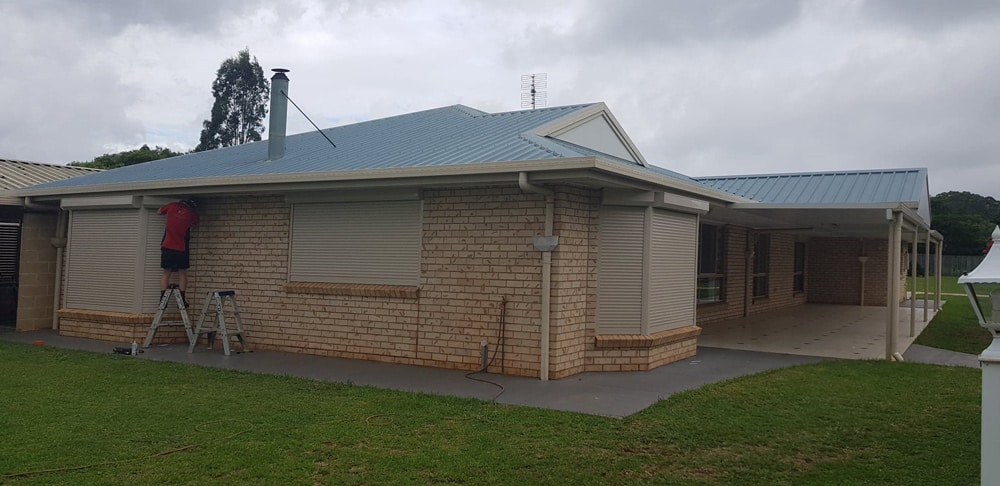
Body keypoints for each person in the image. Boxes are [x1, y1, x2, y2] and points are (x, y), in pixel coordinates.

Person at [159, 198, 200, 306]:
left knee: (166, 272)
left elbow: (159, 211)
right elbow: (196, 222)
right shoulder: (191, 214)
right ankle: (181, 299)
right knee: (182, 273)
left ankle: (162, 299)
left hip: (167, 246)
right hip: (181, 248)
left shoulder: (172, 206)